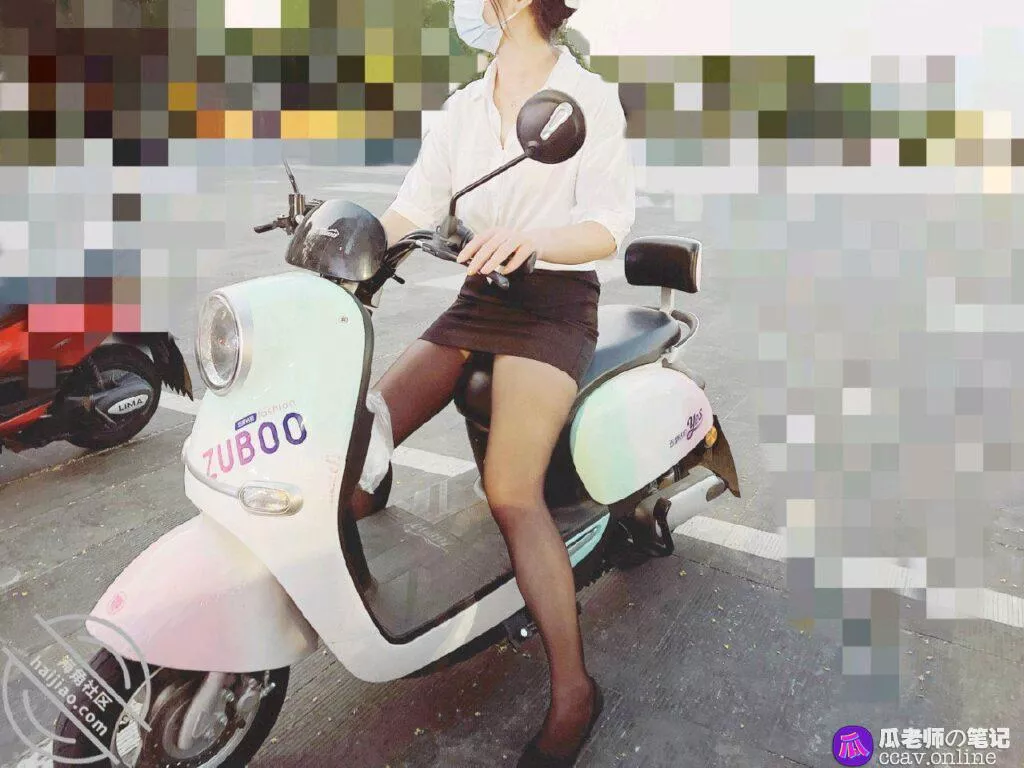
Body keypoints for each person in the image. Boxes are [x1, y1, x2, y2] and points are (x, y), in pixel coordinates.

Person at [350, 0, 635, 764]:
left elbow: (608, 226)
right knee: (358, 438)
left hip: (554, 304)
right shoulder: (463, 109)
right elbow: (413, 206)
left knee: (511, 491)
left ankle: (574, 691)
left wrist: (532, 240)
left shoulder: (587, 99)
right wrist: (346, 245)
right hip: (480, 299)